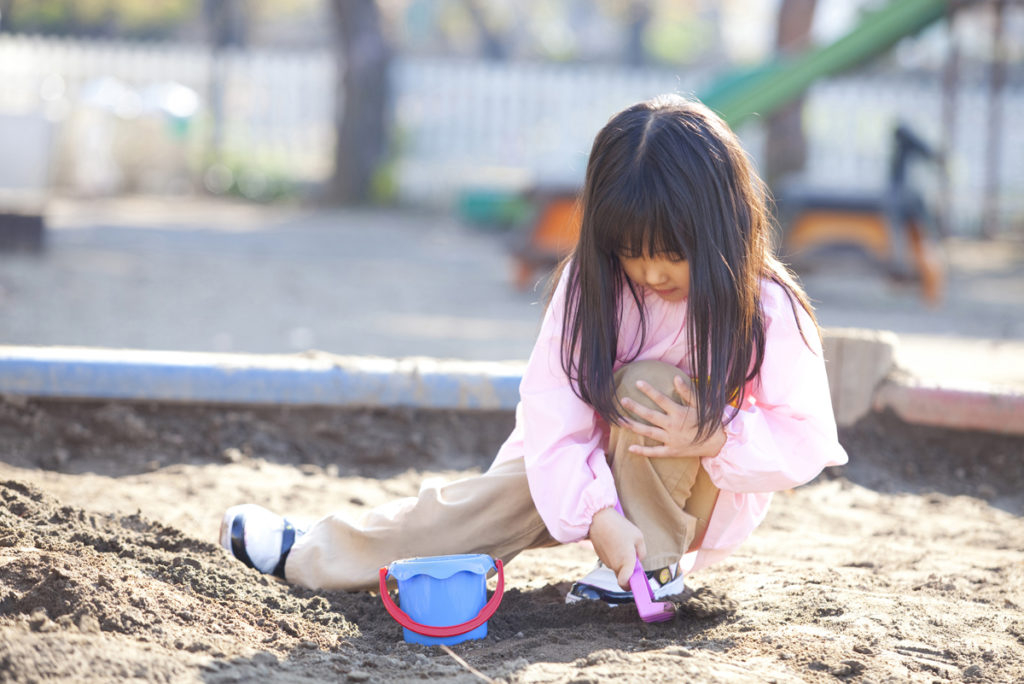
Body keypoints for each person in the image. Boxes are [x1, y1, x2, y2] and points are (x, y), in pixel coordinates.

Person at [219, 94, 848, 604]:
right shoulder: (590, 285)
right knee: (480, 507)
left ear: (723, 229)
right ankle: (316, 550)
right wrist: (598, 512)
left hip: (692, 492)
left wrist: (715, 434)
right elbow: (552, 416)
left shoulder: (766, 305)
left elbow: (807, 438)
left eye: (672, 255)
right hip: (581, 467)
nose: (652, 274)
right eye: (633, 252)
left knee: (647, 385)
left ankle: (654, 569)